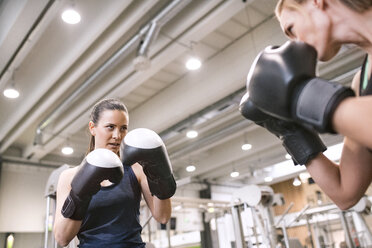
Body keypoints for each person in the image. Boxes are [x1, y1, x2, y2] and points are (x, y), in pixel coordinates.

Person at [241, 0, 372, 210]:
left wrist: (303, 97)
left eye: (291, 29)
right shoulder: (362, 81)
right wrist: (291, 131)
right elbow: (345, 193)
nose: (296, 42)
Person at [53, 98, 176, 247]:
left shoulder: (136, 169)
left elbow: (163, 217)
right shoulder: (70, 177)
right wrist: (79, 195)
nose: (117, 136)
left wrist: (159, 173)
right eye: (110, 127)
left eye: (123, 128)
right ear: (92, 128)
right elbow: (62, 238)